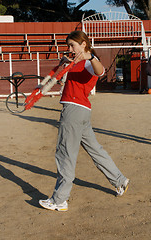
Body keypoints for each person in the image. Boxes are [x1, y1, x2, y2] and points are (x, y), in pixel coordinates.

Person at [39, 30, 129, 212]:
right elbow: (66, 80)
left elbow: (100, 71)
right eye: (69, 46)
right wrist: (65, 65)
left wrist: (90, 56)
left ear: (83, 44)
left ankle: (59, 199)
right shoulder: (76, 62)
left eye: (72, 45)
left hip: (74, 111)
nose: (70, 49)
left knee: (65, 154)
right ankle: (120, 180)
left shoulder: (88, 61)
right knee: (96, 150)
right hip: (82, 112)